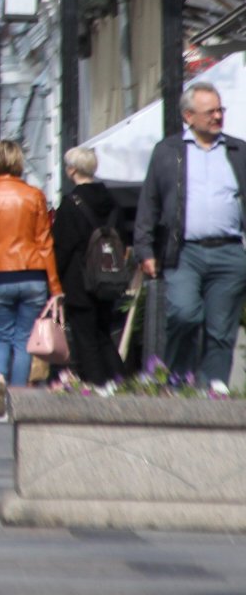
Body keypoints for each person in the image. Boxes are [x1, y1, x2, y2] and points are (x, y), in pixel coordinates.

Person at [135, 82, 246, 389]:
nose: (217, 116)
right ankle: (176, 381)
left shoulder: (238, 151)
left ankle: (213, 388)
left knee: (221, 328)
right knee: (184, 314)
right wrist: (144, 250)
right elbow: (150, 202)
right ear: (189, 116)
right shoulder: (168, 151)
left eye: (220, 109)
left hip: (230, 252)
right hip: (184, 252)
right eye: (209, 111)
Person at [0, 140, 60, 415]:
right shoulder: (34, 195)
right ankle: (17, 399)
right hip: (33, 274)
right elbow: (45, 242)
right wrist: (55, 286)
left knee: (0, 336)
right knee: (23, 340)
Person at [55, 147, 126, 387]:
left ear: (72, 170)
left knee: (85, 338)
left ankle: (97, 387)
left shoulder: (70, 203)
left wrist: (56, 281)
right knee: (104, 334)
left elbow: (62, 247)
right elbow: (122, 236)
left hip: (79, 280)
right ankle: (119, 382)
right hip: (108, 277)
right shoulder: (112, 202)